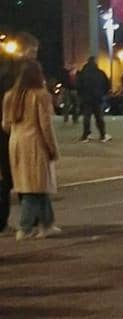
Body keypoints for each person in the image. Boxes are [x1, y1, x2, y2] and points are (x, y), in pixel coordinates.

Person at [2, 60, 60, 240]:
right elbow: (45, 125)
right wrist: (52, 148)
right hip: (35, 142)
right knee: (33, 188)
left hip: (16, 142)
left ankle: (47, 223)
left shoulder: (10, 95)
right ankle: (25, 227)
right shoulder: (40, 95)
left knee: (37, 185)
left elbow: (5, 124)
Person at [0, 32, 39, 233]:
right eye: (33, 51)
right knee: (27, 178)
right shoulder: (26, 76)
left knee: (5, 179)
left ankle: (2, 222)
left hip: (5, 134)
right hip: (22, 132)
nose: (35, 55)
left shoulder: (5, 72)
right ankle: (30, 221)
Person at [76, 56, 111, 143]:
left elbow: (78, 86)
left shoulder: (82, 73)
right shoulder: (100, 73)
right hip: (97, 98)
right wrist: (103, 94)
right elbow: (107, 85)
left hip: (86, 98)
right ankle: (103, 135)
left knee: (86, 117)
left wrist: (81, 95)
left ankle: (85, 135)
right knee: (99, 117)